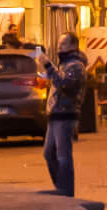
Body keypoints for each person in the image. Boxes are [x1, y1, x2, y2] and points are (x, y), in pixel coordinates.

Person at [35, 34, 88, 198]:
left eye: (63, 43)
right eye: (58, 43)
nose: (59, 47)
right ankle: (61, 188)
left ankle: (66, 192)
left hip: (66, 114)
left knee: (63, 155)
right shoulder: (64, 64)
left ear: (73, 45)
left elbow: (66, 85)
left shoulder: (76, 66)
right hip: (55, 114)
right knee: (49, 153)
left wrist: (49, 66)